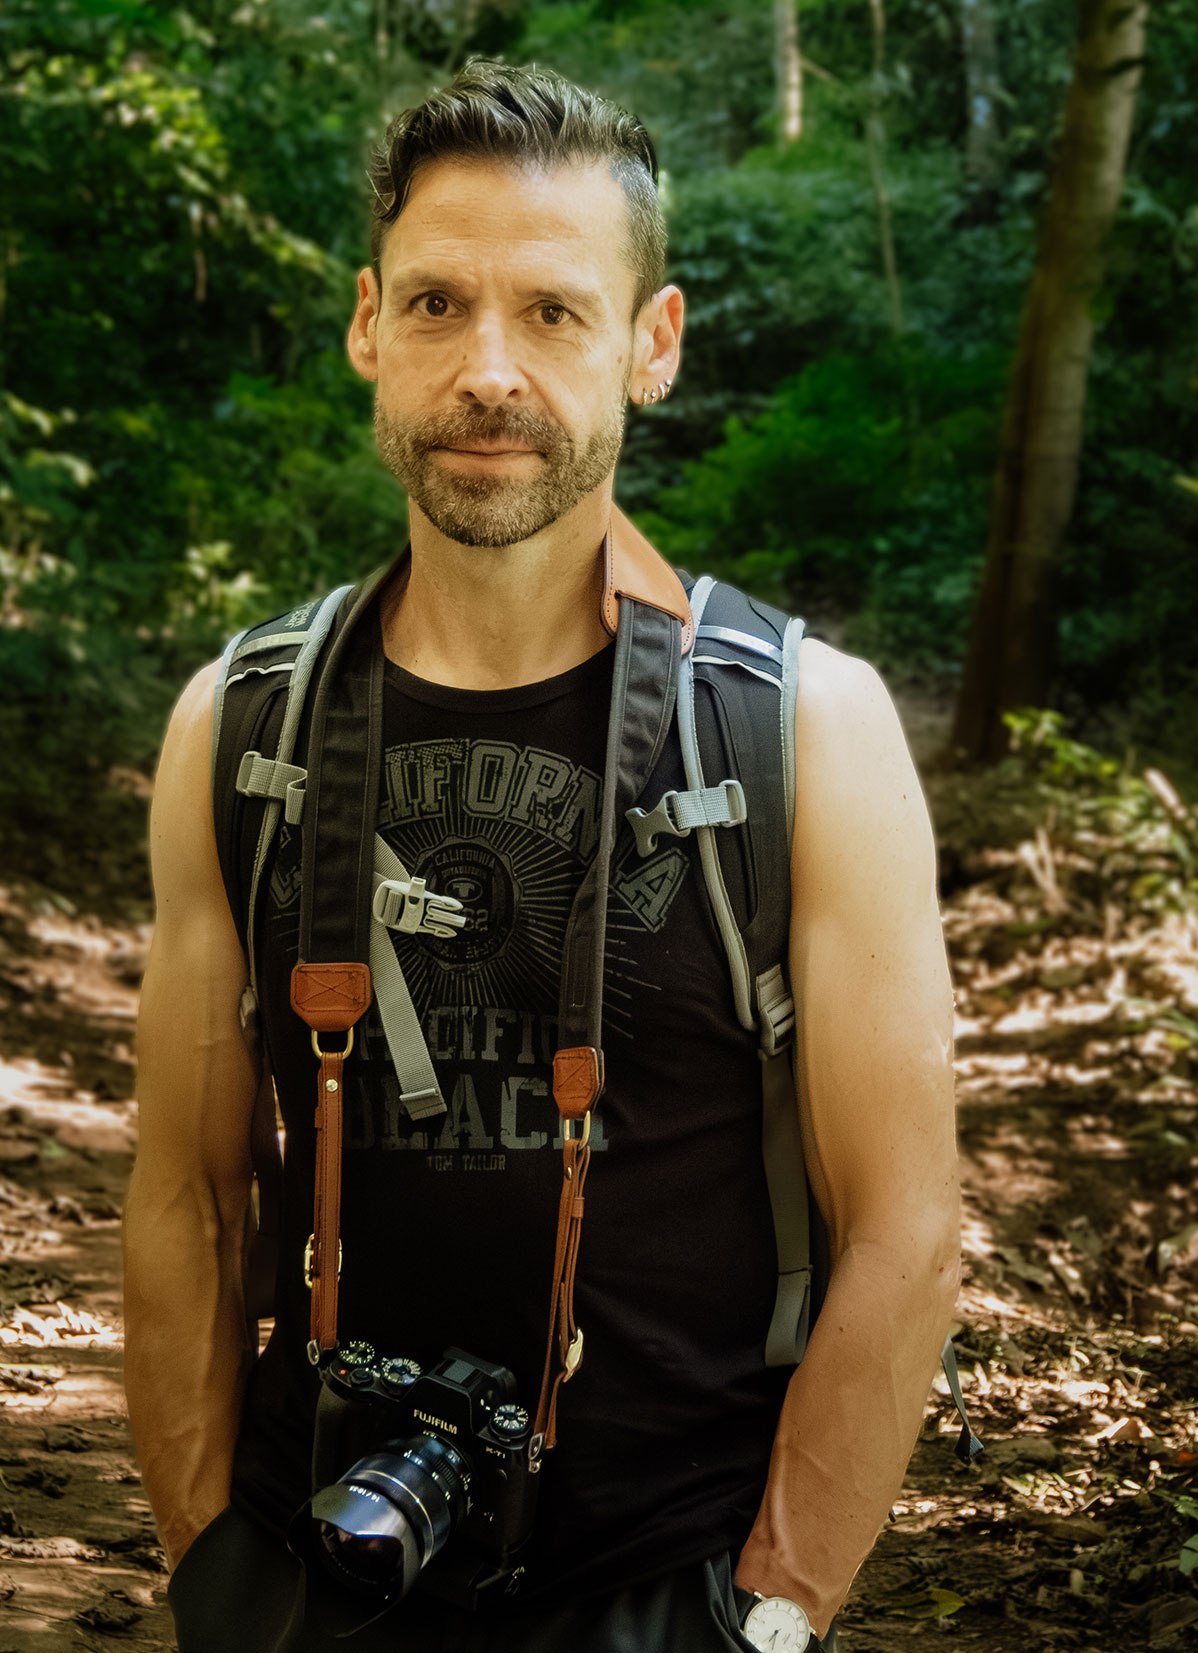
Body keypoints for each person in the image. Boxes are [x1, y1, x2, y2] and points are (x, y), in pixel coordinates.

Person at [123, 60, 961, 1652]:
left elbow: (908, 1225)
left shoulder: (805, 733)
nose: (486, 369)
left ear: (654, 345)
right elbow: (187, 1194)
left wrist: (771, 1613)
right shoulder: (240, 724)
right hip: (322, 1560)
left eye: (554, 313)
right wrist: (207, 1566)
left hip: (672, 1580)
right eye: (438, 304)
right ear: (370, 327)